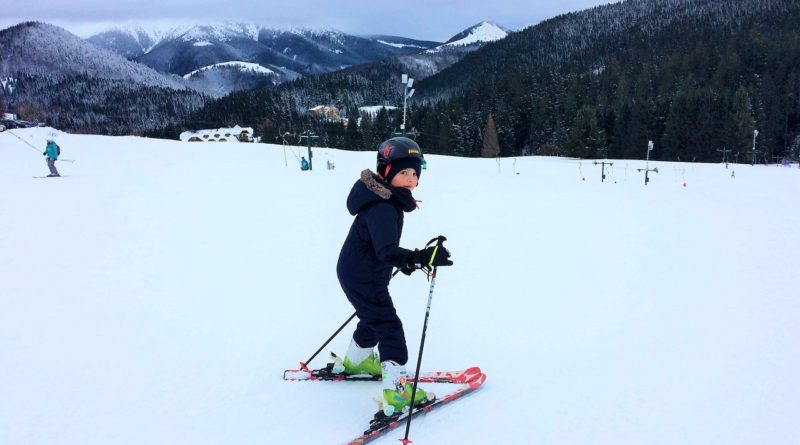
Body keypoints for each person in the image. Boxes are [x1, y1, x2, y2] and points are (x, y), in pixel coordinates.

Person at [335, 136, 453, 415]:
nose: (411, 179)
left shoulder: (384, 197)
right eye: (403, 172)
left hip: (359, 272)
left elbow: (381, 250)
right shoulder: (383, 207)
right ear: (386, 172)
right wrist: (420, 258)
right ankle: (397, 393)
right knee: (389, 327)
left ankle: (358, 362)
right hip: (364, 275)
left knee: (373, 318)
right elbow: (386, 250)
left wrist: (409, 260)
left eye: (415, 172)